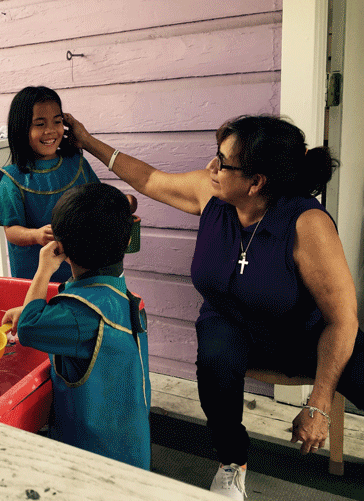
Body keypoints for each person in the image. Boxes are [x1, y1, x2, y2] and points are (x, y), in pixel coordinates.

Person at [65, 113, 364, 499]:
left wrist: (319, 403)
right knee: (216, 360)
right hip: (229, 321)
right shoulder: (211, 194)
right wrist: (88, 141)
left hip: (301, 335)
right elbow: (148, 179)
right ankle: (232, 462)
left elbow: (342, 320)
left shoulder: (307, 224)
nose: (212, 167)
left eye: (223, 162)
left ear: (256, 182)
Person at [1, 183, 151, 470]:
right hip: (129, 444)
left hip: (95, 457)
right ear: (127, 239)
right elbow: (76, 306)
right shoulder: (119, 295)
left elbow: (30, 329)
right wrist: (30, 309)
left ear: (61, 248)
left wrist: (43, 269)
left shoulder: (79, 315)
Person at [0, 86, 100, 283]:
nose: (50, 130)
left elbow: (96, 198)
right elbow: (11, 231)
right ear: (21, 129)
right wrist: (35, 235)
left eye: (57, 121)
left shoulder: (77, 163)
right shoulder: (12, 180)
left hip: (83, 272)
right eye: (40, 124)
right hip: (37, 280)